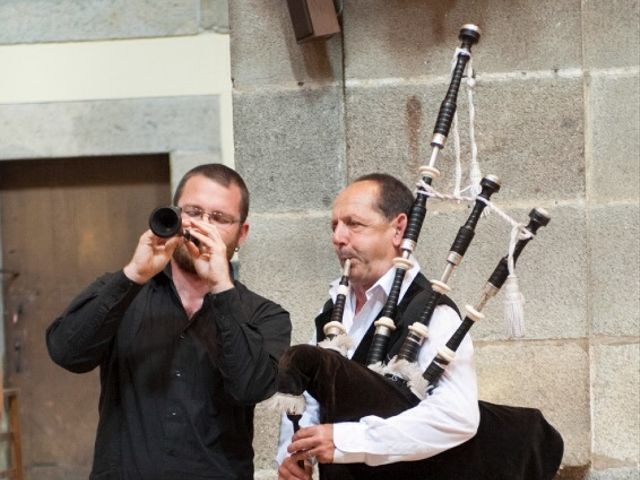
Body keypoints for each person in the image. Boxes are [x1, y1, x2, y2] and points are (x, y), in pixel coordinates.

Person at [46, 164, 292, 480]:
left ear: (242, 233)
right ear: (175, 215)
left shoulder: (265, 315)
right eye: (194, 212)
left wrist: (220, 287)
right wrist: (133, 275)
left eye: (219, 218)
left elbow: (251, 388)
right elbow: (66, 353)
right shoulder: (123, 289)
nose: (204, 226)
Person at [276, 173, 479, 479]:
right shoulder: (331, 311)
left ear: (399, 230)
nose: (338, 237)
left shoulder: (431, 312)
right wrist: (293, 453)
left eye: (354, 224)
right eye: (334, 226)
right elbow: (311, 398)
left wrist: (346, 440)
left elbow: (457, 415)